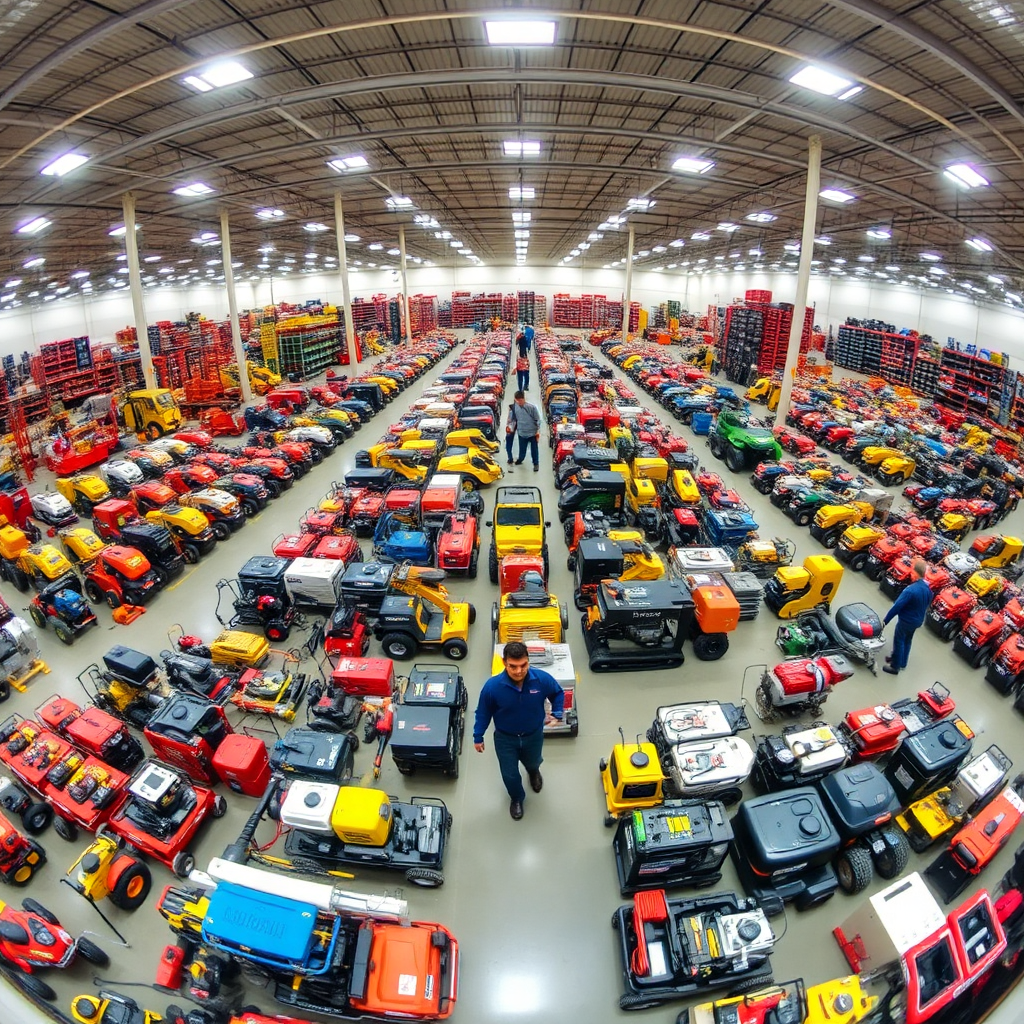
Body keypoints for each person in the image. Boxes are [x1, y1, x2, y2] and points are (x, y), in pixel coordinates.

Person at [473, 641, 564, 820]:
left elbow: (557, 692)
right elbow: (483, 712)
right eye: (513, 666)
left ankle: (533, 772)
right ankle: (517, 798)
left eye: (523, 665)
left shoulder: (541, 680)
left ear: (528, 661)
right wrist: (478, 736)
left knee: (534, 760)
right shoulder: (492, 687)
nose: (518, 671)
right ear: (504, 662)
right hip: (505, 739)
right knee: (510, 774)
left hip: (533, 735)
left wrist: (557, 713)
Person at [882, 559, 933, 675]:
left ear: (915, 573)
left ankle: (895, 667)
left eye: (912, 571)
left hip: (906, 621)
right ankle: (902, 662)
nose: (910, 574)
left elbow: (897, 607)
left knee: (899, 640)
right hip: (917, 621)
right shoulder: (928, 590)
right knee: (907, 640)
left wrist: (885, 621)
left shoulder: (910, 590)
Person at [511, 390, 541, 471]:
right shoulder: (515, 407)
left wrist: (538, 431)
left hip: (532, 433)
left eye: (520, 400)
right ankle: (520, 459)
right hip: (522, 433)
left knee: (534, 450)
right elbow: (513, 419)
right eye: (517, 401)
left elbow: (538, 420)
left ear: (524, 399)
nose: (519, 402)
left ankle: (536, 464)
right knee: (522, 449)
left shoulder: (531, 408)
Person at [505, 400, 518, 466]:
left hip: (510, 430)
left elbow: (509, 421)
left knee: (508, 446)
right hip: (513, 430)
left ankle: (510, 458)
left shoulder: (511, 413)